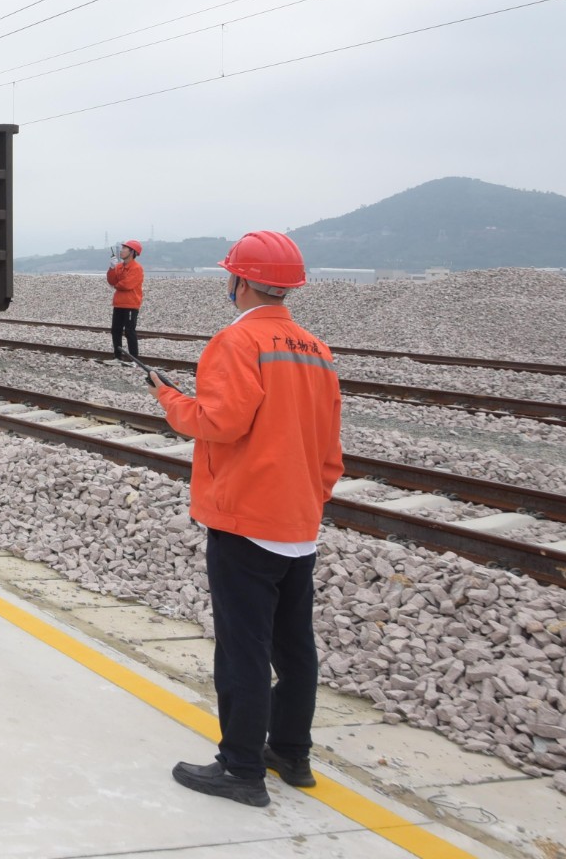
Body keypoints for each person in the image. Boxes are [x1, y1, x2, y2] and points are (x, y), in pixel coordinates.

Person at [144, 231, 341, 808]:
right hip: (298, 523)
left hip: (246, 520)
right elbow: (330, 449)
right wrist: (308, 498)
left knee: (242, 649)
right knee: (294, 647)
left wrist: (169, 398)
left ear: (241, 281)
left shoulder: (237, 341)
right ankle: (291, 753)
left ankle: (240, 768)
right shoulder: (316, 349)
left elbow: (219, 422)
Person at [106, 240, 144, 360]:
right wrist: (112, 268)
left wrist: (116, 285)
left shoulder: (137, 268)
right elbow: (111, 280)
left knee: (129, 332)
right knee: (115, 331)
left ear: (132, 252)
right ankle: (117, 357)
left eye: (124, 249)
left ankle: (134, 359)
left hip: (131, 304)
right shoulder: (119, 267)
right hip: (119, 304)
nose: (121, 251)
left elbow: (127, 284)